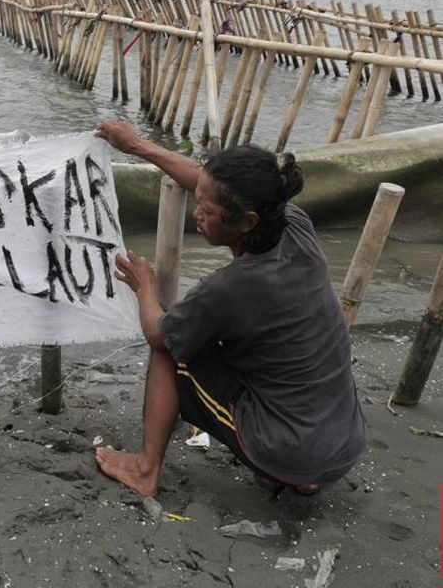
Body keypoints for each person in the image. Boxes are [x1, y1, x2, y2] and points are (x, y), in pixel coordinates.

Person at [93, 120, 365, 498]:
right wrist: (137, 146)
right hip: (344, 443)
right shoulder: (293, 224)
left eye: (205, 209)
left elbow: (158, 333)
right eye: (198, 202)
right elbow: (204, 180)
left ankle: (144, 470)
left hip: (289, 451)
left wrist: (145, 287)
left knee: (172, 347)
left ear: (246, 221)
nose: (196, 213)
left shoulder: (229, 287)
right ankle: (304, 479)